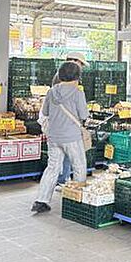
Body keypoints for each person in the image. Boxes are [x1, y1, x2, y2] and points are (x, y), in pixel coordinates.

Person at [32, 61, 90, 213]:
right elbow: (84, 115)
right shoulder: (78, 92)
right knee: (79, 165)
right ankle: (76, 201)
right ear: (77, 76)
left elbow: (45, 112)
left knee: (52, 167)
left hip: (53, 136)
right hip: (71, 136)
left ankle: (41, 200)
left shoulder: (51, 92)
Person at [50, 52, 89, 186]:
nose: (81, 67)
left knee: (65, 155)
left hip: (61, 125)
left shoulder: (65, 77)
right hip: (65, 124)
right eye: (81, 64)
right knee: (70, 156)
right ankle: (63, 180)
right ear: (74, 61)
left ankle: (63, 179)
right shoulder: (63, 79)